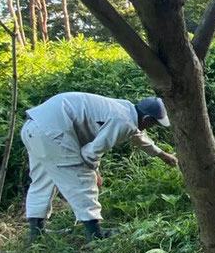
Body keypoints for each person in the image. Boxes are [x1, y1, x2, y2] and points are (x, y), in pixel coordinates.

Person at [21, 92, 177, 241]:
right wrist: (95, 172)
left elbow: (137, 136)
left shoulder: (125, 109)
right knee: (82, 177)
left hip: (33, 127)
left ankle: (36, 233)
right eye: (154, 124)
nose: (153, 127)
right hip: (53, 132)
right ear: (147, 119)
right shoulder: (123, 121)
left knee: (42, 181)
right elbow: (90, 153)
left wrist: (163, 155)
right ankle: (95, 233)